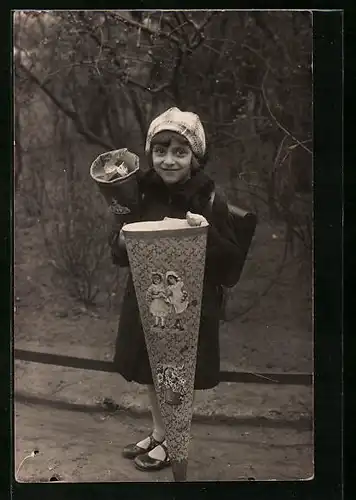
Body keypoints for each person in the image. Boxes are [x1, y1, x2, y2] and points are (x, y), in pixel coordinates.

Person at [109, 107, 243, 472]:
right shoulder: (139, 193)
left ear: (195, 157)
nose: (168, 161)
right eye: (160, 151)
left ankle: (174, 442)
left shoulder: (209, 198)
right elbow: (119, 254)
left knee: (175, 374)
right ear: (150, 154)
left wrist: (205, 232)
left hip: (188, 308)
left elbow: (229, 261)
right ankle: (159, 433)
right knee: (152, 370)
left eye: (180, 152)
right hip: (147, 301)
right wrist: (121, 241)